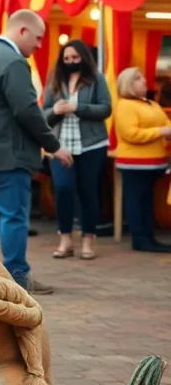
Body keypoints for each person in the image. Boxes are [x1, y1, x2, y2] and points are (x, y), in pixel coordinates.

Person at [0, 9, 73, 294]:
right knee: (14, 217)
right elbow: (27, 111)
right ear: (22, 31)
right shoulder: (13, 62)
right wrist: (54, 145)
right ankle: (17, 277)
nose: (40, 45)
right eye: (38, 38)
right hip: (8, 156)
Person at [42, 40, 112, 260]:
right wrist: (55, 110)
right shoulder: (54, 80)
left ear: (83, 57)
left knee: (88, 191)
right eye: (66, 59)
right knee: (62, 189)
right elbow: (43, 114)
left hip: (91, 144)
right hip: (61, 144)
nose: (71, 62)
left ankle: (88, 239)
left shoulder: (97, 79)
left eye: (75, 58)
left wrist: (77, 107)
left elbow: (106, 108)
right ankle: (65, 239)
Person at [113, 66, 171, 253]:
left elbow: (165, 122)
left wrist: (167, 129)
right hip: (134, 162)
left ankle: (150, 238)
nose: (145, 81)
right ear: (129, 84)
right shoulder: (124, 105)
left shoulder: (151, 104)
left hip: (154, 161)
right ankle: (139, 238)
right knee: (136, 200)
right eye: (139, 79)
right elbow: (131, 133)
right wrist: (161, 132)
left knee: (147, 201)